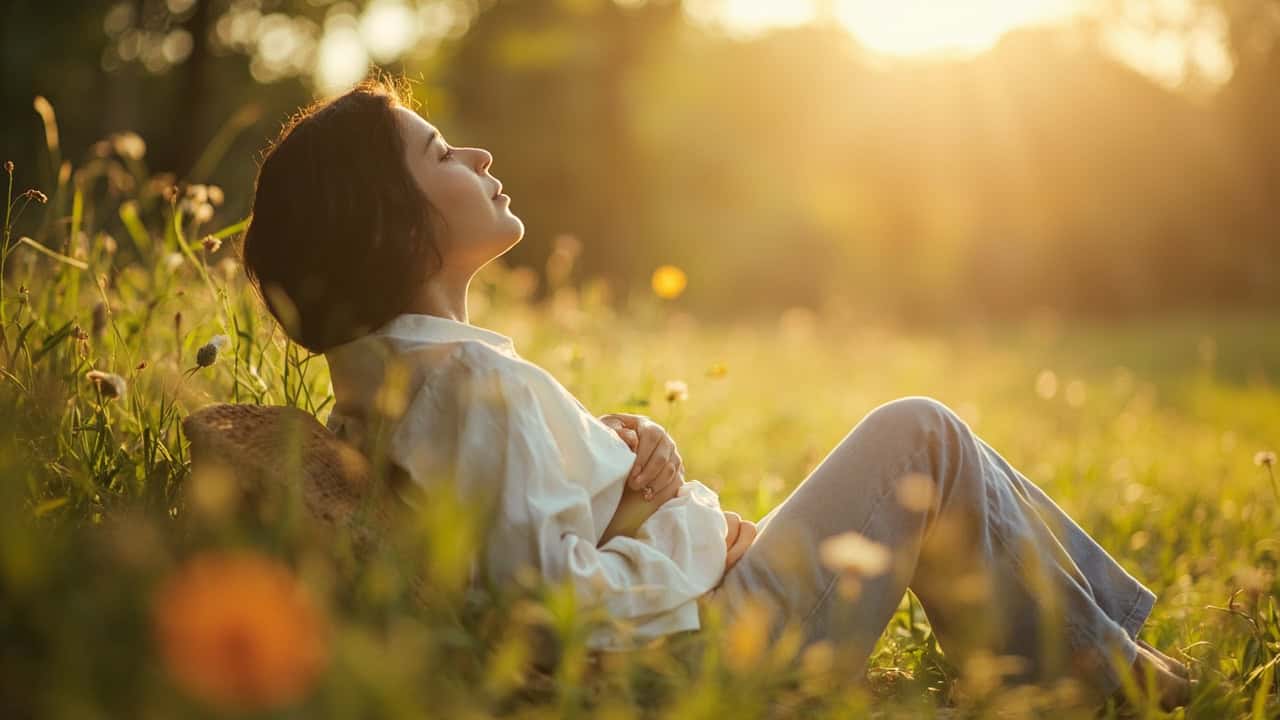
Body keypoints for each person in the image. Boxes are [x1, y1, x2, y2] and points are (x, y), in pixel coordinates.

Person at [239, 77, 1191, 710]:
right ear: (387, 221)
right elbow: (550, 606)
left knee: (934, 447)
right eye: (443, 154)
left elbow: (536, 533)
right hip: (705, 669)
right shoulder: (464, 386)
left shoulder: (415, 382)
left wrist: (623, 469)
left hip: (694, 636)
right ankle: (1101, 673)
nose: (480, 159)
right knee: (920, 436)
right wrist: (691, 532)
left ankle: (1104, 650)